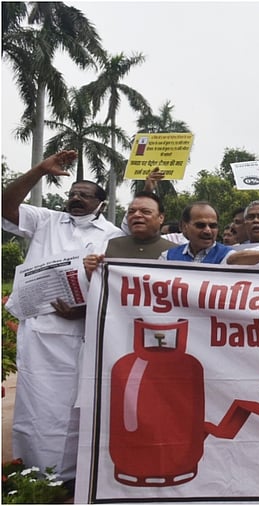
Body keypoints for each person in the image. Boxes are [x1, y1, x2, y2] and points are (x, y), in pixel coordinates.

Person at [1, 150, 124, 491]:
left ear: (100, 202)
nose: (76, 199)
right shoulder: (45, 220)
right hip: (39, 331)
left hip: (80, 333)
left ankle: (70, 478)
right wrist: (41, 169)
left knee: (73, 408)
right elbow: (5, 204)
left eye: (85, 195)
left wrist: (83, 310)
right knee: (34, 404)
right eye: (73, 193)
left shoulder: (112, 234)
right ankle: (30, 474)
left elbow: (114, 284)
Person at [102, 192, 176, 260]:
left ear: (161, 218)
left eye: (146, 211)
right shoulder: (108, 246)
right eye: (131, 212)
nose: (136, 215)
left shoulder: (175, 252)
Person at [160, 202, 235, 264]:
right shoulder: (168, 257)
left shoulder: (229, 257)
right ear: (184, 227)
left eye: (213, 226)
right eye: (200, 225)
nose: (208, 231)